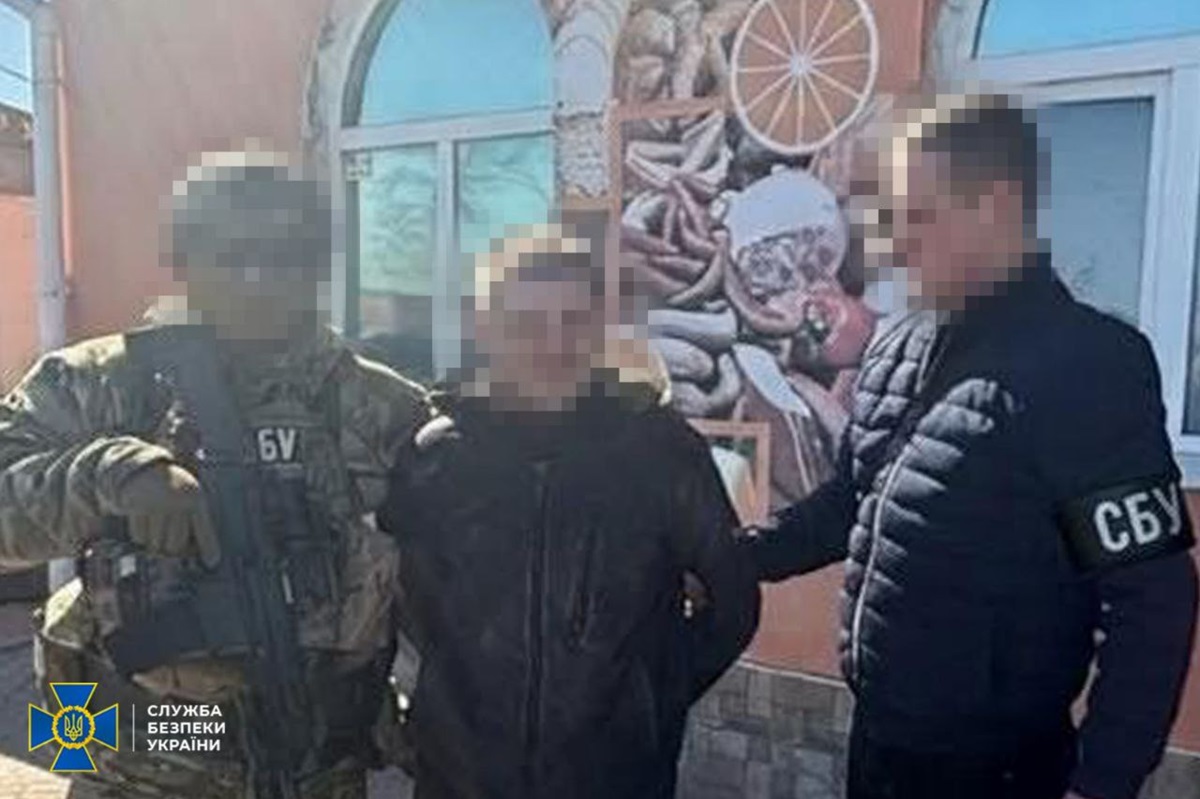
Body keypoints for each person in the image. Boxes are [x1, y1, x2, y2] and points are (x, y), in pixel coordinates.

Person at [743, 93, 1199, 799]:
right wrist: (734, 556)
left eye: (917, 217)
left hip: (1001, 772)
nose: (897, 246)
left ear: (997, 205)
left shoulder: (1088, 366)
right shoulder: (896, 346)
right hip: (881, 751)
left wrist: (1100, 784)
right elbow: (851, 502)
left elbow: (1152, 599)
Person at [0, 150, 427, 798]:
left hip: (321, 771)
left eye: (283, 255)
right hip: (146, 766)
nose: (257, 277)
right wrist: (113, 473)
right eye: (230, 254)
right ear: (184, 260)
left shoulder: (374, 403)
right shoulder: (103, 382)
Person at [377, 224, 760, 799]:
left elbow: (732, 603)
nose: (552, 344)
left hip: (616, 781)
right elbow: (406, 602)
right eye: (527, 323)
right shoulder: (436, 460)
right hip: (463, 779)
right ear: (486, 327)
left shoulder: (659, 452)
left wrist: (651, 696)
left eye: (573, 322)